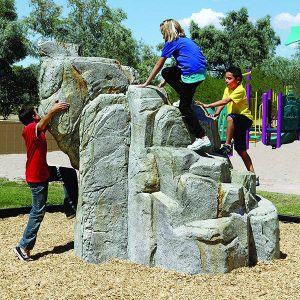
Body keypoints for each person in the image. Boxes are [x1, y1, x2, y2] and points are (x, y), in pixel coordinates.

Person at [14, 102, 78, 261]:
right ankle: (23, 246)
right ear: (33, 117)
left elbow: (46, 125)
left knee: (68, 173)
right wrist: (53, 110)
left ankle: (70, 208)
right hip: (37, 177)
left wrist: (54, 110)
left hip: (44, 171)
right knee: (38, 211)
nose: (39, 114)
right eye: (37, 113)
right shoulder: (29, 129)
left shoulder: (38, 129)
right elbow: (43, 123)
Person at [139, 18, 211, 151]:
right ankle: (186, 97)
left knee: (184, 107)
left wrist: (146, 83)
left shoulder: (171, 42)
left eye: (162, 32)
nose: (162, 35)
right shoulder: (186, 40)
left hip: (191, 74)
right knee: (167, 72)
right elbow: (185, 59)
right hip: (200, 72)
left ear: (168, 31)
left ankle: (201, 137)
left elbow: (159, 64)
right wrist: (167, 79)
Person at [198, 66, 259, 185]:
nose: (226, 81)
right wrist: (216, 112)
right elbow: (223, 102)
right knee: (241, 151)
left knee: (230, 117)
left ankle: (227, 145)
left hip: (245, 119)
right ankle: (253, 176)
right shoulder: (227, 89)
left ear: (238, 79)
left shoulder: (240, 90)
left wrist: (208, 105)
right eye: (225, 78)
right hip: (236, 121)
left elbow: (226, 102)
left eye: (229, 78)